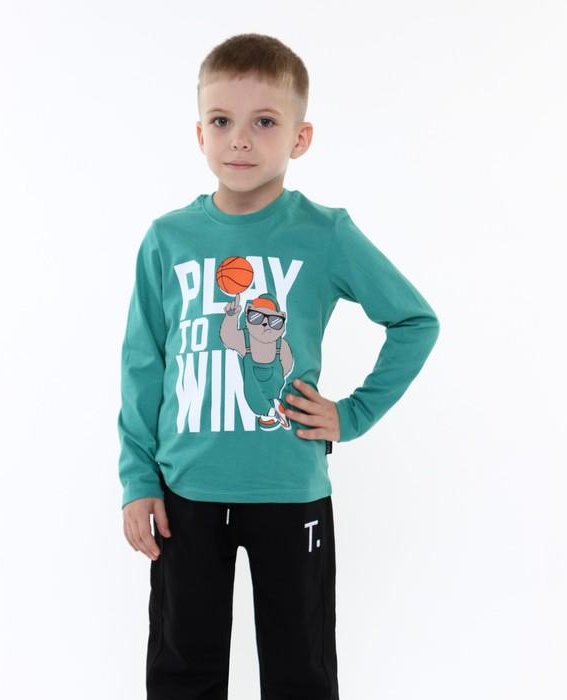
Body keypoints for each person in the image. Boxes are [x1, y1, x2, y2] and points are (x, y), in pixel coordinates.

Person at [117, 32, 440, 700]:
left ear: (300, 137)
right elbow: (143, 363)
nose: (240, 140)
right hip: (184, 495)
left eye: (264, 122)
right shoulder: (168, 239)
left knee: (301, 670)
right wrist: (137, 479)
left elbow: (415, 321)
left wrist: (352, 415)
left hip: (291, 492)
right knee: (181, 669)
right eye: (221, 121)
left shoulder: (325, 233)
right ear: (199, 133)